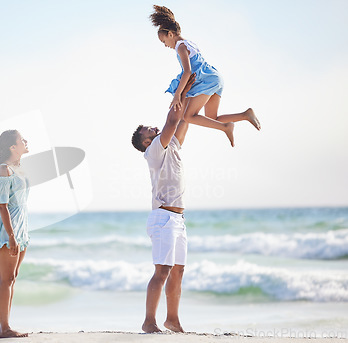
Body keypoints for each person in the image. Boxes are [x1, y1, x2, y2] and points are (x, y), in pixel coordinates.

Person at [131, 73, 196, 333]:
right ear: (146, 142)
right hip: (163, 218)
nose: (154, 129)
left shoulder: (171, 147)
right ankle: (149, 321)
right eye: (150, 130)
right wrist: (178, 92)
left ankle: (173, 319)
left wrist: (189, 93)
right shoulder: (154, 150)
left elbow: (183, 121)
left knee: (178, 271)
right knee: (162, 271)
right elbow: (171, 119)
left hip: (178, 219)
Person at [150, 5, 261, 147]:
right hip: (215, 78)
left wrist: (178, 94)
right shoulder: (189, 43)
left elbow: (187, 71)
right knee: (212, 117)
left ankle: (226, 127)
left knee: (188, 116)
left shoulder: (180, 47)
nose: (165, 45)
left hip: (207, 80)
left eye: (164, 41)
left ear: (170, 34)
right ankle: (245, 115)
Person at [0, 129, 30, 338]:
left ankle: (3, 326)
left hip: (20, 228)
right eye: (22, 140)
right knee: (5, 279)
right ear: (12, 147)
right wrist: (11, 235)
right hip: (9, 229)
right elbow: (2, 205)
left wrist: (20, 234)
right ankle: (5, 328)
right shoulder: (4, 169)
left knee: (12, 277)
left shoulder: (17, 168)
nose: (25, 141)